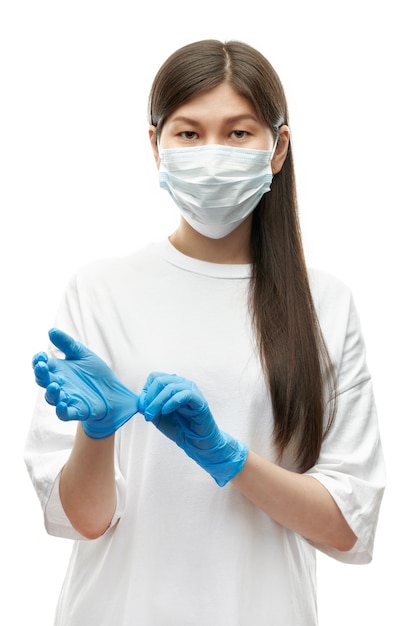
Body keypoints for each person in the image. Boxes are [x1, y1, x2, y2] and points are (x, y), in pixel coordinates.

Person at [24, 39, 386, 626]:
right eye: (189, 134)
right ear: (156, 145)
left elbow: (348, 527)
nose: (212, 153)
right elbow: (83, 521)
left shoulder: (326, 304)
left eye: (238, 133)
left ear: (278, 147)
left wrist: (224, 456)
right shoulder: (100, 291)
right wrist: (96, 432)